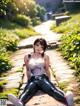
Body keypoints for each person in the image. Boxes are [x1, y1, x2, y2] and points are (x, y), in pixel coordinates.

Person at [8, 38, 74, 106]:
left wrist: (49, 81)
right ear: (33, 45)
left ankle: (66, 99)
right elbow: (28, 70)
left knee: (51, 90)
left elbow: (47, 70)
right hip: (33, 79)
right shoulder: (27, 57)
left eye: (42, 46)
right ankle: (20, 103)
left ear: (44, 48)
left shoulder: (45, 56)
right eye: (37, 45)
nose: (39, 48)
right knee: (28, 90)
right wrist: (28, 82)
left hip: (43, 78)